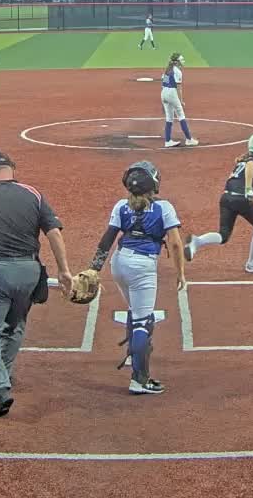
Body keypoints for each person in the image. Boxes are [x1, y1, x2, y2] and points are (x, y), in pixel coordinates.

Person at [0, 148, 72, 417]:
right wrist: (64, 271)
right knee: (14, 325)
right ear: (13, 170)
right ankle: (3, 373)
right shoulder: (33, 193)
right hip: (29, 271)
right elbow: (54, 232)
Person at [83, 161, 185, 394]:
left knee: (134, 309)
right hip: (142, 267)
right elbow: (176, 244)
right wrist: (180, 272)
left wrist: (94, 269)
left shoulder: (121, 206)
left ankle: (134, 354)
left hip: (119, 263)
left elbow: (107, 238)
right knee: (143, 321)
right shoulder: (164, 207)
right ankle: (139, 380)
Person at [185, 131, 253, 273]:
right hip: (240, 199)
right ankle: (252, 262)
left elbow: (236, 180)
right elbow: (251, 166)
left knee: (223, 235)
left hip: (226, 198)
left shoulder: (244, 159)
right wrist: (248, 189)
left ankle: (197, 241)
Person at [160, 52, 198, 148]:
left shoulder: (167, 69)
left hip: (163, 92)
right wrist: (181, 100)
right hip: (172, 92)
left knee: (169, 118)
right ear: (177, 62)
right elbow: (179, 88)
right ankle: (189, 139)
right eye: (182, 60)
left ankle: (168, 141)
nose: (183, 61)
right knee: (181, 115)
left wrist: (164, 100)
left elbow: (163, 83)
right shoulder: (177, 71)